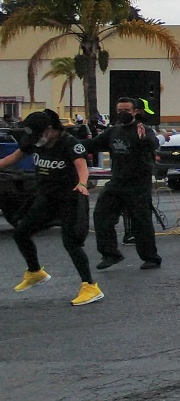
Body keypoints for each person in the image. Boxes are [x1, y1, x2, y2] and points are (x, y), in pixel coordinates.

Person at [3, 110, 100, 305]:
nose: (35, 140)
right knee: (21, 232)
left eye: (38, 135)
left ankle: (90, 287)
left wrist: (82, 184)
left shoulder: (69, 143)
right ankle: (35, 272)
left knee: (71, 243)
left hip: (71, 198)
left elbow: (82, 167)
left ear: (50, 130)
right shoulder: (34, 140)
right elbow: (13, 158)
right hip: (46, 198)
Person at [84, 96, 162, 270]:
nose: (123, 113)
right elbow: (92, 145)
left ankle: (151, 258)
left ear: (135, 111)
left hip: (138, 184)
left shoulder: (144, 129)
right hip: (117, 182)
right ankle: (111, 254)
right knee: (101, 215)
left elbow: (153, 144)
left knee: (141, 221)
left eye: (126, 110)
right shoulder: (113, 132)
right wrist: (69, 144)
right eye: (120, 110)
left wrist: (143, 139)